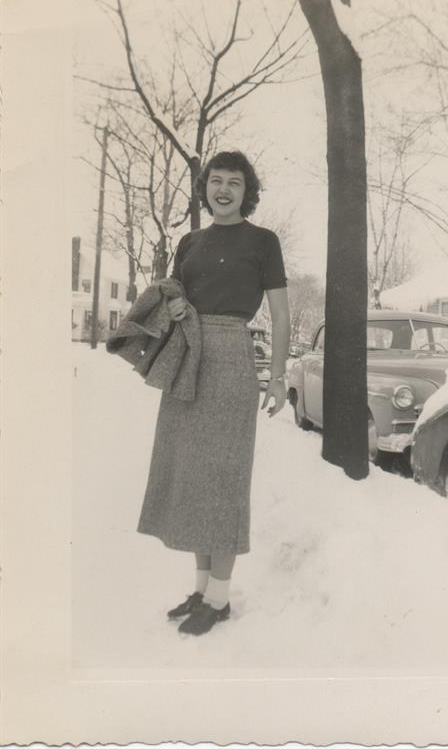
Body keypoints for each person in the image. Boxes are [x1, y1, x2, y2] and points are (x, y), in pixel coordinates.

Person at [136, 150, 290, 636]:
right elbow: (174, 291)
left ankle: (220, 600)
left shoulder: (264, 242)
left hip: (230, 361)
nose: (223, 190)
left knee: (222, 480)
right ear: (205, 187)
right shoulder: (188, 241)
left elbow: (282, 316)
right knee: (190, 477)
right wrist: (177, 305)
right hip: (189, 357)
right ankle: (202, 591)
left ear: (248, 192)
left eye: (235, 183)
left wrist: (280, 376)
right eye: (216, 181)